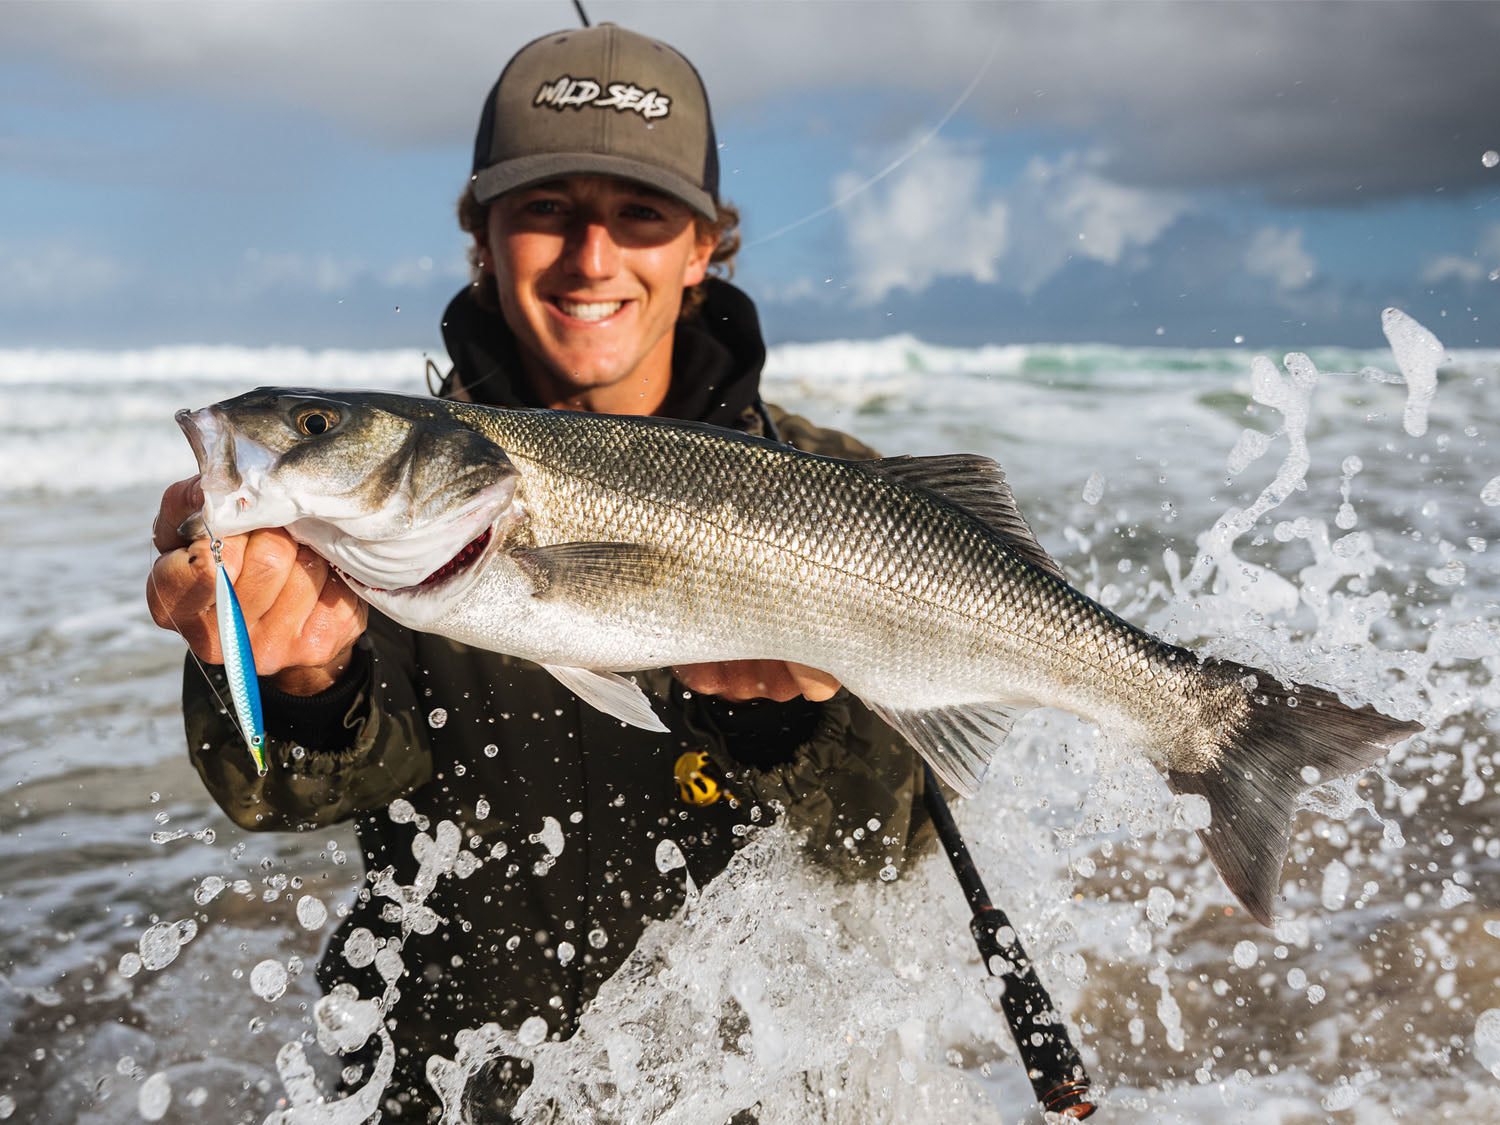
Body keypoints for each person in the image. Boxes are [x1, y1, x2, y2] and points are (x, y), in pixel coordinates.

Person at [148, 23, 929, 1120]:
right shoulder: (374, 503)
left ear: (704, 246)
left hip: (751, 1091)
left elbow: (886, 847)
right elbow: (275, 795)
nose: (592, 258)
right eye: (548, 210)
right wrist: (298, 684)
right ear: (484, 238)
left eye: (641, 213)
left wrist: (784, 732)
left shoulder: (848, 492)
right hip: (448, 1085)